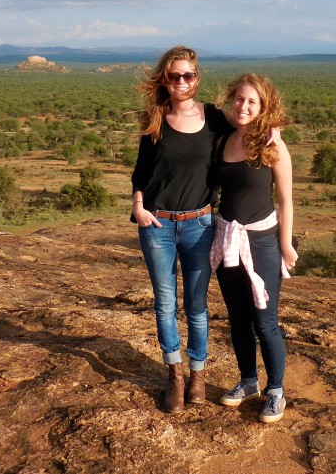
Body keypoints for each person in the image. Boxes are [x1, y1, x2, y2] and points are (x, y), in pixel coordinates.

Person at [131, 45, 232, 413]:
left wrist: (275, 132)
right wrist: (138, 206)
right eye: (174, 76)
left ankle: (198, 374)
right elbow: (142, 171)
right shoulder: (155, 118)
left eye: (188, 75)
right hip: (157, 223)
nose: (182, 81)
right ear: (166, 79)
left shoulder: (214, 117)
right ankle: (174, 375)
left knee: (197, 306)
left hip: (199, 224)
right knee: (163, 303)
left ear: (197, 78)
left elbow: (250, 124)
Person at [210, 73, 298, 424]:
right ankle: (249, 382)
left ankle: (276, 391)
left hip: (261, 239)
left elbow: (287, 201)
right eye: (239, 99)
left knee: (265, 322)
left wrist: (286, 245)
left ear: (264, 107)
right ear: (231, 100)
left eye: (252, 101)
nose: (244, 106)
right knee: (237, 319)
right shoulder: (223, 141)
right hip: (226, 238)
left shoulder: (272, 144)